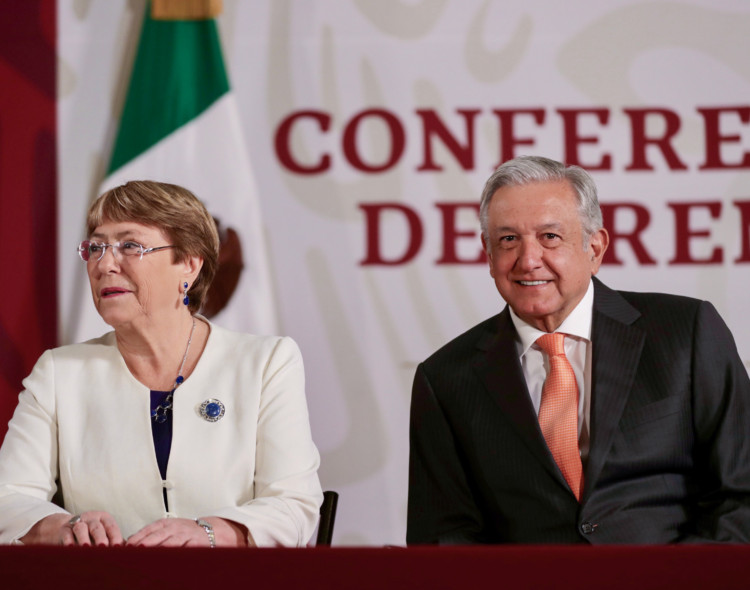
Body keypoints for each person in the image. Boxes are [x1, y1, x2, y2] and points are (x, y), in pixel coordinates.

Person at [407, 155, 750, 544]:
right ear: (488, 254)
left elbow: (741, 493)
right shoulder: (446, 379)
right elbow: (443, 538)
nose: (528, 259)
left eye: (550, 237)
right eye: (508, 239)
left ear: (595, 248)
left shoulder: (686, 332)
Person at [0, 180, 323, 547]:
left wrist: (211, 533)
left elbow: (294, 504)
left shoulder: (265, 364)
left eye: (130, 245)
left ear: (189, 263)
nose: (104, 264)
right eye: (96, 247)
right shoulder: (59, 373)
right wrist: (61, 528)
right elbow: (7, 499)